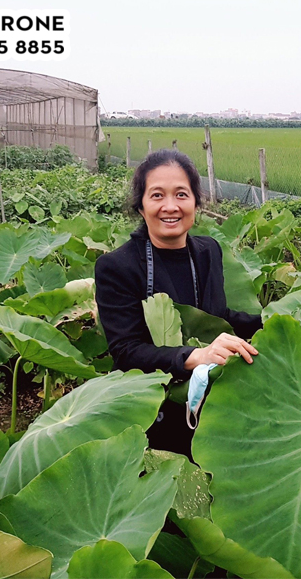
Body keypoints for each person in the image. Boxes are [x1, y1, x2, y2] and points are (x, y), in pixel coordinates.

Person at [94, 149, 262, 456]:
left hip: (210, 401)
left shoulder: (208, 250)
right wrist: (195, 356)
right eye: (157, 195)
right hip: (150, 408)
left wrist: (271, 322)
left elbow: (216, 315)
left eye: (181, 194)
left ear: (196, 203)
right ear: (141, 206)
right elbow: (127, 351)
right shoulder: (118, 267)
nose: (170, 206)